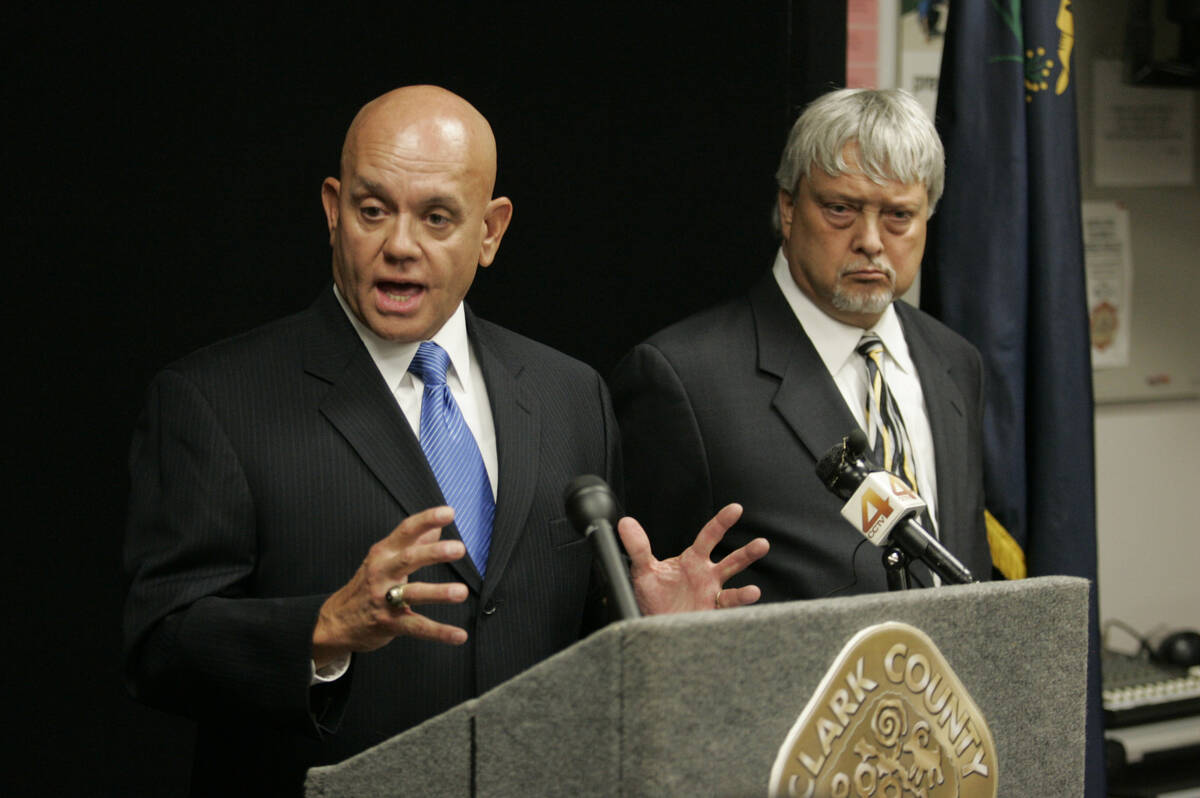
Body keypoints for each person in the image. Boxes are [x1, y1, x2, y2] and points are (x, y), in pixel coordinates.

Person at [123, 85, 767, 795]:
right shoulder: (216, 400)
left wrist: (642, 631)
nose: (400, 246)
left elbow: (566, 634)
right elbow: (159, 646)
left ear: (490, 232)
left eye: (436, 217)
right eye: (373, 211)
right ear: (333, 210)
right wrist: (325, 628)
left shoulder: (569, 394)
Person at [610, 88, 991, 603]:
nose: (872, 241)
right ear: (789, 209)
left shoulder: (956, 361)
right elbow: (637, 599)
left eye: (899, 215)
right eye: (841, 209)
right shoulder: (683, 379)